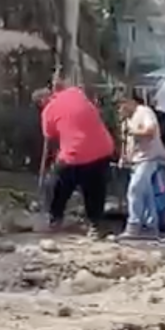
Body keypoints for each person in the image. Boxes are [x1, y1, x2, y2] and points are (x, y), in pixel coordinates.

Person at [39, 83, 116, 236]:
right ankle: (95, 225)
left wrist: (53, 160)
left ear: (42, 101)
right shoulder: (75, 92)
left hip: (75, 153)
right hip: (103, 148)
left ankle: (55, 219)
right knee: (94, 187)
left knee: (57, 185)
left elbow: (50, 137)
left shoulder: (48, 111)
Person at [118, 93, 165, 238]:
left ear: (130, 102)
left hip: (149, 158)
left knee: (135, 189)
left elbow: (150, 130)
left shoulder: (144, 112)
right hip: (136, 160)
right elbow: (126, 142)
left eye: (121, 105)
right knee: (146, 193)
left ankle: (133, 225)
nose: (120, 109)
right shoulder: (126, 120)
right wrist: (124, 157)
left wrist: (134, 132)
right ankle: (151, 227)